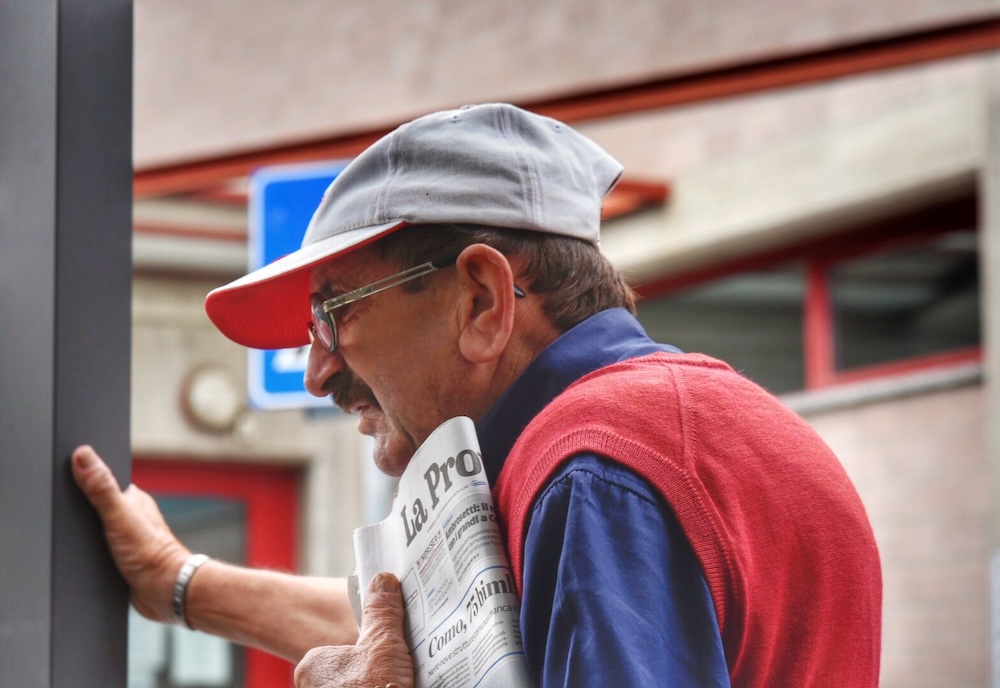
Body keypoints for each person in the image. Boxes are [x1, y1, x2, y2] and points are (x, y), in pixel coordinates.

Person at [72, 102, 882, 687]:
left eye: (333, 315)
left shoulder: (593, 470)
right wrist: (177, 582)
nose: (317, 371)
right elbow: (436, 635)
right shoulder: (643, 433)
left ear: (484, 301)